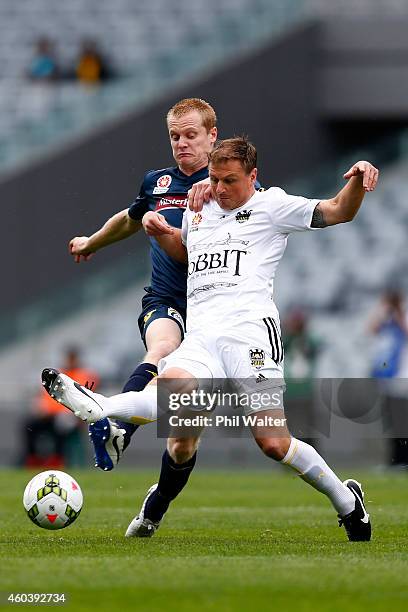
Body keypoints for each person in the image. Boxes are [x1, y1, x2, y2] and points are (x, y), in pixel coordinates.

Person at [43, 137, 378, 542]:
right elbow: (187, 256)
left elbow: (339, 209)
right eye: (215, 179)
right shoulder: (198, 209)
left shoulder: (272, 204)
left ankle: (347, 502)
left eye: (230, 181)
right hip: (202, 336)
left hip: (250, 335)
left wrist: (359, 176)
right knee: (173, 398)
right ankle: (101, 408)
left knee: (273, 443)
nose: (220, 189)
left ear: (253, 176)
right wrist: (162, 230)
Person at [68, 98, 217, 470]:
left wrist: (168, 229)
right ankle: (117, 428)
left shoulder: (231, 181)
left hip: (215, 311)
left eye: (191, 135)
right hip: (166, 298)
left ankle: (153, 510)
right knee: (162, 347)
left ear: (212, 136)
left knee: (183, 440)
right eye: (174, 136)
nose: (182, 143)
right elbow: (130, 218)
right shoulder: (158, 182)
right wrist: (92, 242)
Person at [22, 346, 98, 468]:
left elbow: (85, 399)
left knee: (61, 425)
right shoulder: (58, 373)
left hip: (70, 415)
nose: (70, 361)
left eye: (72, 358)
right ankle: (33, 459)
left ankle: (57, 460)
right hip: (48, 415)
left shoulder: (85, 375)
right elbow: (45, 396)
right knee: (29, 425)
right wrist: (42, 409)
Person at [369, 289, 408, 465]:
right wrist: (383, 310)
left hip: (403, 378)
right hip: (389, 380)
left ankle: (402, 459)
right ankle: (395, 460)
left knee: (403, 422)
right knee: (392, 423)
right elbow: (372, 328)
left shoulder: (402, 317)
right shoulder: (387, 319)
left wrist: (399, 312)